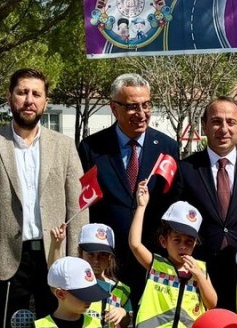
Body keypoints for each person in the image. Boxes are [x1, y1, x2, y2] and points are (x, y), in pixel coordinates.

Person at [0, 68, 85, 328]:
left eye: (36, 94)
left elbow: (78, 209)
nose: (29, 100)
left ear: (45, 101)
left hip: (54, 257)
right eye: (22, 92)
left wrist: (75, 261)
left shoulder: (64, 146)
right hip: (7, 259)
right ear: (10, 97)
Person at [77, 74, 180, 303]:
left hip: (151, 258)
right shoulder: (92, 148)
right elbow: (84, 204)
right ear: (114, 108)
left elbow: (172, 202)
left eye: (147, 105)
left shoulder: (167, 147)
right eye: (133, 107)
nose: (142, 114)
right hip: (107, 262)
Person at [177, 98, 237, 310]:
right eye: (216, 122)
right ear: (204, 126)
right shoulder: (186, 169)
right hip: (199, 271)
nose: (224, 129)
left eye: (231, 122)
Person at [125, 182, 216, 328]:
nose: (183, 246)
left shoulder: (201, 270)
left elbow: (212, 303)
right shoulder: (156, 265)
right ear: (164, 241)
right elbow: (135, 244)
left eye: (189, 242)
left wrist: (200, 277)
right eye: (177, 240)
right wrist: (141, 207)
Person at [75, 223, 131, 328]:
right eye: (91, 254)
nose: (96, 260)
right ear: (81, 253)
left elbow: (127, 322)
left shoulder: (121, 289)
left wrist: (122, 313)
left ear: (110, 257)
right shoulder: (74, 284)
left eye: (103, 255)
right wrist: (56, 245)